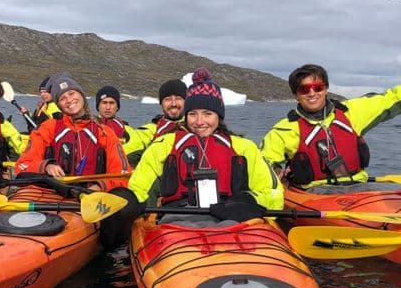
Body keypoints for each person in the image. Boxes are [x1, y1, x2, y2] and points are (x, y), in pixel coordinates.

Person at [100, 68, 282, 249]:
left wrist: (248, 201)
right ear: (186, 116)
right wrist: (127, 201)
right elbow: (139, 188)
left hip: (235, 221)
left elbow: (274, 193)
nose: (199, 121)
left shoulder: (244, 148)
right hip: (177, 222)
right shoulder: (163, 145)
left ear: (219, 115)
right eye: (193, 114)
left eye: (207, 114)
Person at [260, 40, 401, 188]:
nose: (312, 93)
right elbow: (262, 167)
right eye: (304, 90)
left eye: (317, 87)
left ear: (326, 88)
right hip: (314, 196)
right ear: (296, 95)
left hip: (359, 191)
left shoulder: (352, 112)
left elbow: (395, 98)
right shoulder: (284, 130)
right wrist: (278, 175)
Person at [14, 73, 129, 190]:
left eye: (71, 93)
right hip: (53, 196)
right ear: (59, 105)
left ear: (82, 96)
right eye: (62, 98)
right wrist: (45, 166)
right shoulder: (47, 129)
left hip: (92, 197)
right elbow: (22, 165)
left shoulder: (105, 132)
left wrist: (100, 187)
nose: (69, 100)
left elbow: (122, 175)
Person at [123, 78, 187, 165]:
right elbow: (126, 150)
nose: (173, 103)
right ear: (161, 103)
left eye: (178, 98)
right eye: (168, 99)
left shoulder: (197, 128)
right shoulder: (149, 130)